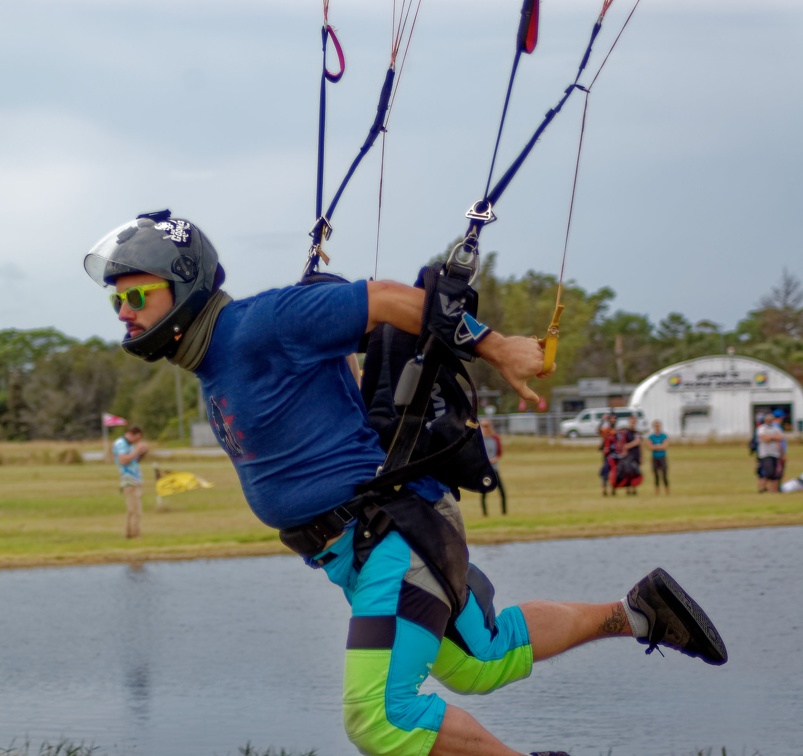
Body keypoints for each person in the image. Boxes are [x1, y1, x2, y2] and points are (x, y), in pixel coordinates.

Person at [84, 212, 728, 756]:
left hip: (391, 537)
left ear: (184, 285)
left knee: (380, 716)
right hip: (363, 551)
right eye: (116, 299)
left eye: (137, 295)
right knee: (482, 658)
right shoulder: (214, 361)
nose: (124, 311)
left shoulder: (264, 322)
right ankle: (639, 613)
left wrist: (497, 347)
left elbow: (389, 299)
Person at [112, 424, 149, 538]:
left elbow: (134, 460)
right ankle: (135, 535)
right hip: (129, 480)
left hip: (135, 479)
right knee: (136, 510)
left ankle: (129, 534)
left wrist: (142, 453)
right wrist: (137, 450)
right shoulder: (121, 443)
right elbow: (124, 460)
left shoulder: (129, 445)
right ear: (135, 435)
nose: (137, 441)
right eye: (138, 438)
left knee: (133, 510)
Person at [479, 418, 507, 516]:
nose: (485, 428)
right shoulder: (479, 439)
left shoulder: (495, 438)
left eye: (486, 426)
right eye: (483, 426)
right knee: (484, 492)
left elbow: (499, 452)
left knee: (502, 490)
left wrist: (494, 459)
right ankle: (485, 513)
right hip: (484, 470)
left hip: (494, 468)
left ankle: (504, 512)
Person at [756, 410, 785, 493]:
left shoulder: (776, 428)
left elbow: (780, 438)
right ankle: (763, 487)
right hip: (765, 453)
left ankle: (773, 490)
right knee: (768, 471)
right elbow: (765, 439)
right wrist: (774, 437)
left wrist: (782, 453)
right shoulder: (762, 428)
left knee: (775, 473)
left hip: (775, 453)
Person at [646, 420, 670, 495]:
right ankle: (657, 492)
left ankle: (667, 491)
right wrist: (660, 446)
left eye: (658, 426)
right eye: (656, 426)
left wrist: (655, 446)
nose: (657, 427)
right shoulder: (651, 436)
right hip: (655, 458)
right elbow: (649, 447)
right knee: (656, 475)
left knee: (664, 475)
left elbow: (665, 446)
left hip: (662, 457)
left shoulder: (664, 436)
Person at [597, 412, 617, 496]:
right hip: (607, 454)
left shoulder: (616, 431)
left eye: (614, 419)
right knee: (605, 472)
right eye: (611, 419)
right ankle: (604, 489)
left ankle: (613, 489)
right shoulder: (606, 430)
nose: (613, 420)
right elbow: (598, 430)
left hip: (615, 454)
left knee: (614, 472)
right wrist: (602, 420)